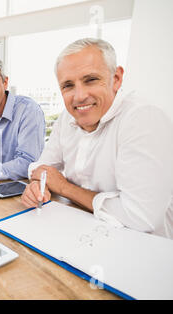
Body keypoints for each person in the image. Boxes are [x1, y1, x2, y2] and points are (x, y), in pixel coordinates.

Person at [21, 38, 173, 239]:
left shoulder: (143, 117)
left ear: (116, 78)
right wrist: (37, 187)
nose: (79, 96)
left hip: (143, 247)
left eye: (90, 80)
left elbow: (141, 218)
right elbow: (40, 168)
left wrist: (65, 187)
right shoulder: (66, 118)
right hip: (84, 232)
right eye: (68, 85)